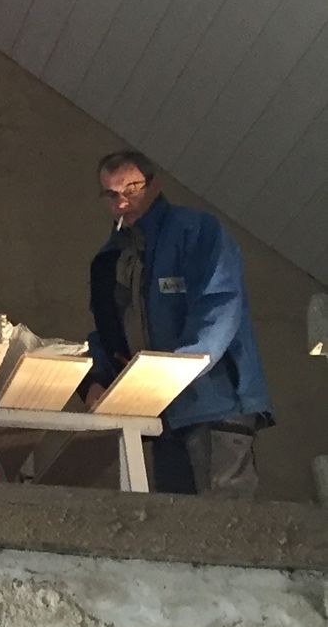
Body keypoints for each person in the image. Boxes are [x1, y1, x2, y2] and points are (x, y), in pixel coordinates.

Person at [84, 148, 271, 496]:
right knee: (177, 524)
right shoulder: (110, 259)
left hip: (213, 406)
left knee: (223, 522)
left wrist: (174, 371)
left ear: (154, 185)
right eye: (111, 194)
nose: (121, 203)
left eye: (131, 189)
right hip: (159, 414)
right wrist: (97, 379)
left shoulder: (197, 232)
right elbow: (108, 329)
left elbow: (219, 307)